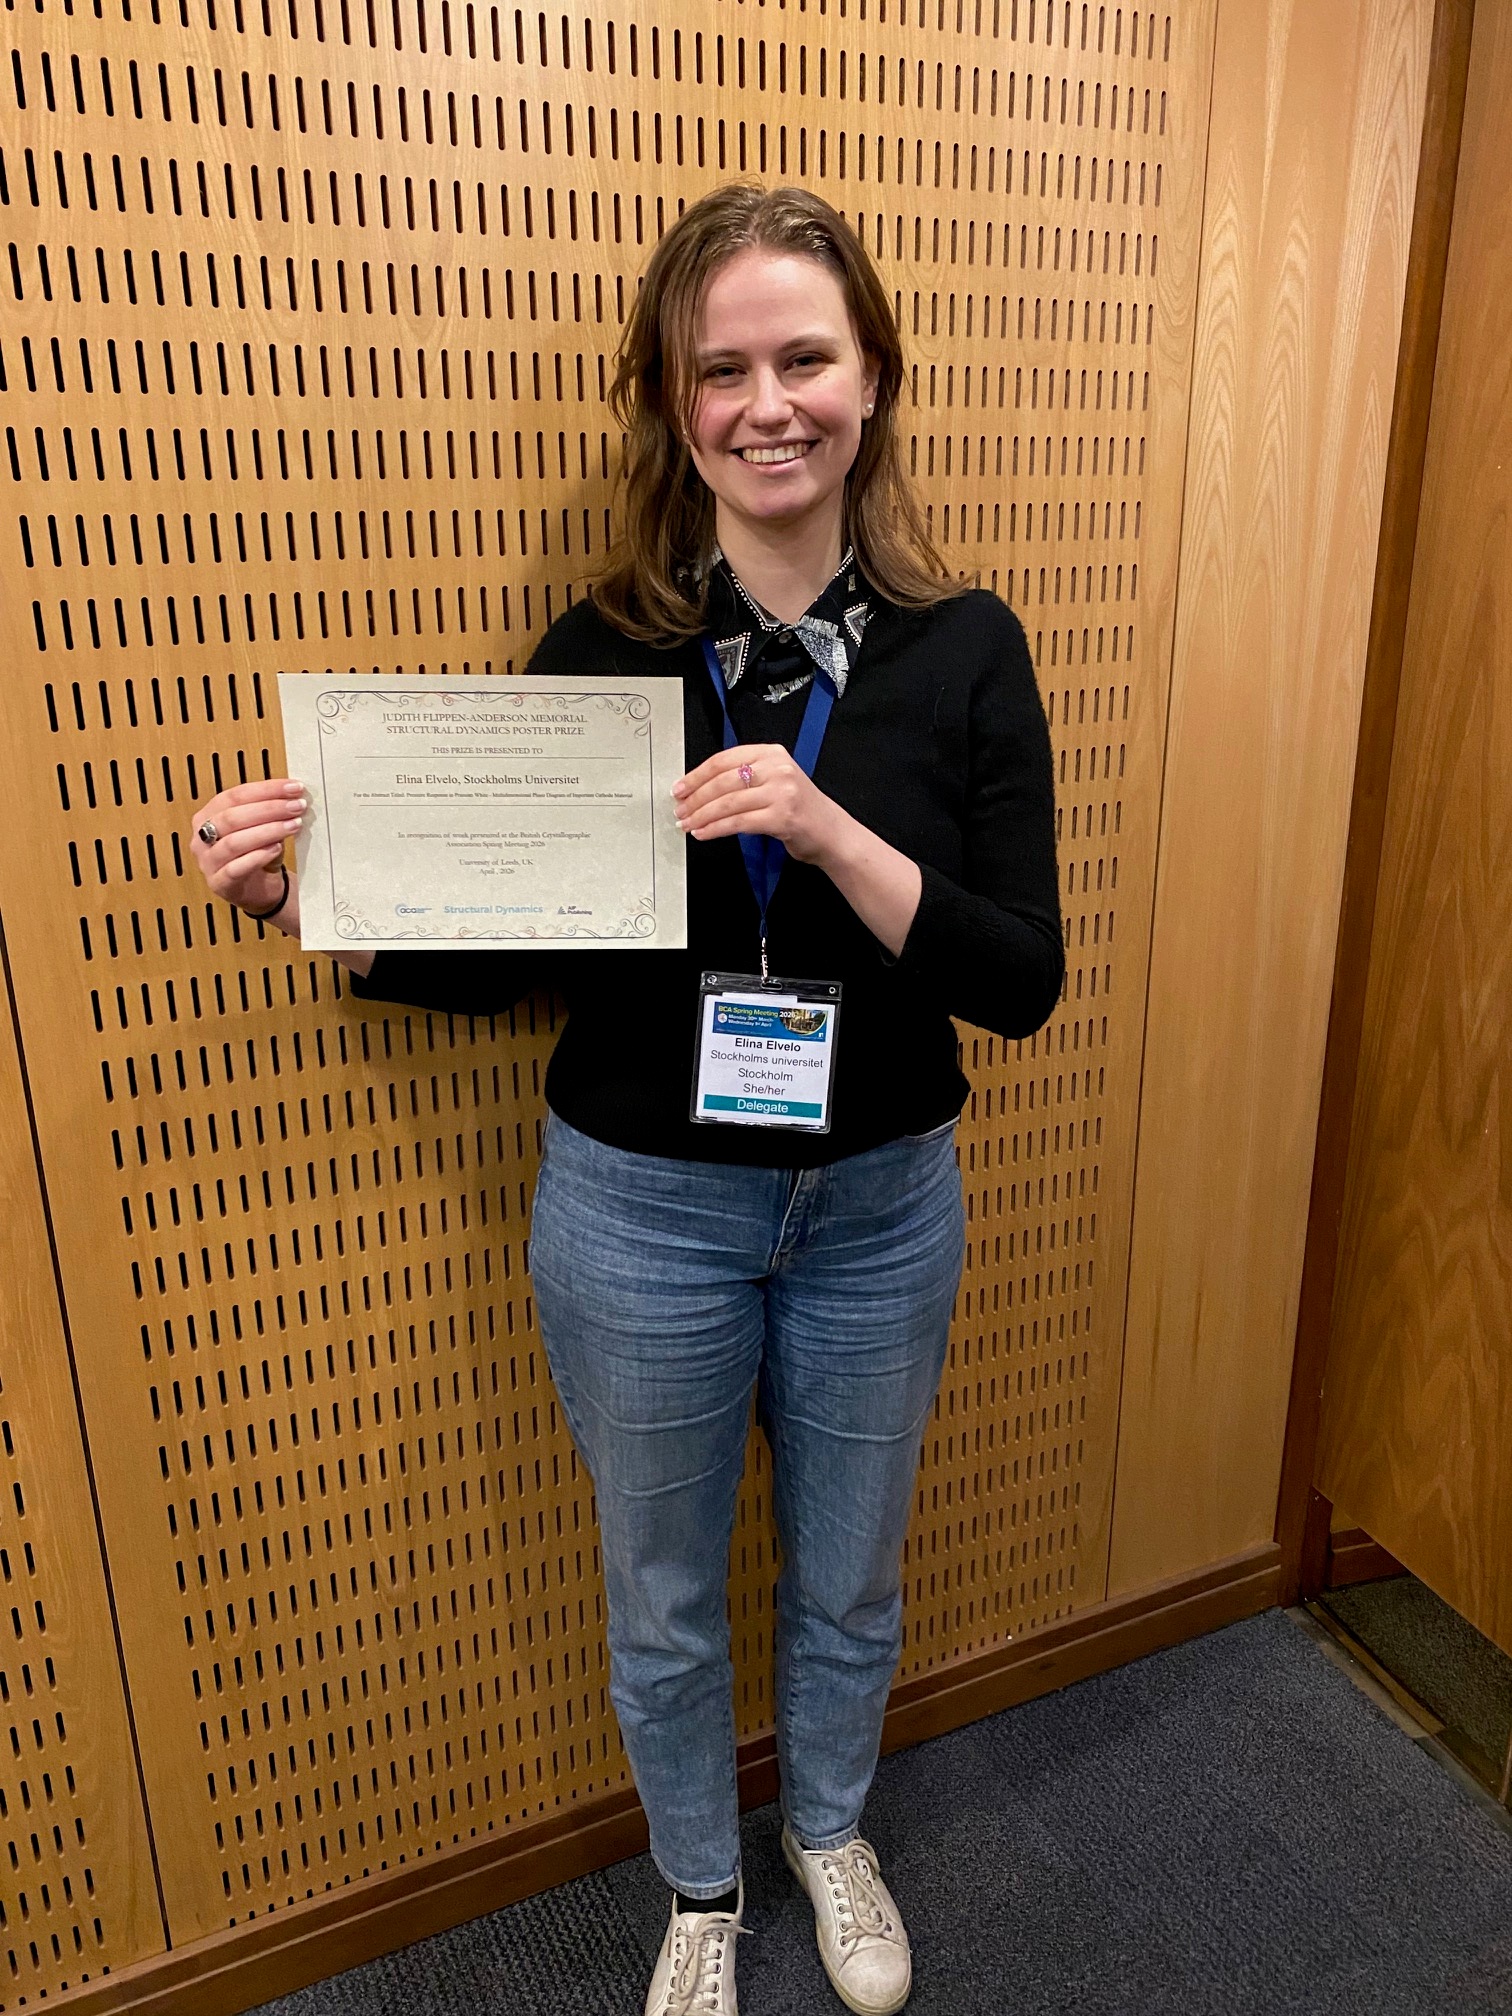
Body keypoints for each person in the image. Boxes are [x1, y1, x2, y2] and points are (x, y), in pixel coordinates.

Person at [189, 182, 1063, 2016]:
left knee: (848, 1582)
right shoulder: (605, 652)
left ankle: (831, 1831)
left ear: (875, 378)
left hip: (881, 1201)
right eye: (721, 368)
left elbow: (1021, 978)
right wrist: (310, 906)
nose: (769, 404)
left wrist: (824, 826)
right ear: (678, 408)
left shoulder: (969, 646)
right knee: (664, 1594)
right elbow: (503, 940)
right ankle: (696, 1887)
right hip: (640, 1211)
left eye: (805, 358)